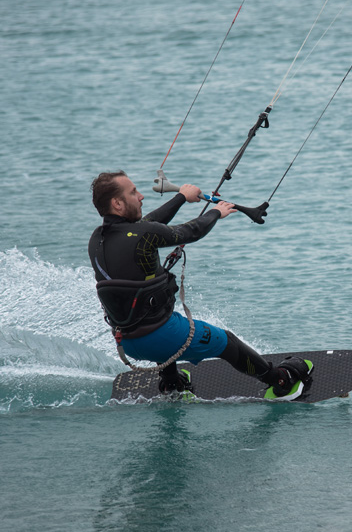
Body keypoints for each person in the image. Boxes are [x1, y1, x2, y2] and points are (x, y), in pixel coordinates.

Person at [88, 170, 312, 400]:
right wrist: (216, 211)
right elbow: (190, 231)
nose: (141, 196)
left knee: (155, 314)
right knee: (228, 343)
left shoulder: (97, 240)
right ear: (117, 203)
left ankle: (172, 382)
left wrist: (182, 197)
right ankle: (280, 381)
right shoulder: (143, 234)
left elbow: (149, 224)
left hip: (127, 342)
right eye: (133, 192)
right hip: (160, 336)